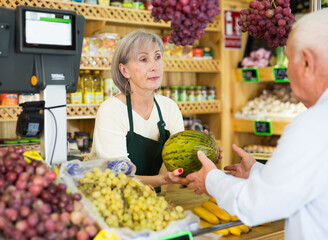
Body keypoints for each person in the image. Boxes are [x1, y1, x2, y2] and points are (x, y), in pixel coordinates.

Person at [186, 9, 328, 239]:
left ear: (307, 63)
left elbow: (255, 205)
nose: (287, 70)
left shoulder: (312, 126)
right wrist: (257, 172)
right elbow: (304, 186)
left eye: (290, 60)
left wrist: (211, 179)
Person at [90, 30, 188, 189]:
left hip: (154, 201)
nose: (154, 66)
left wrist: (201, 154)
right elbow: (118, 175)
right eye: (144, 59)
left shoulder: (169, 108)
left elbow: (180, 160)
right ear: (124, 70)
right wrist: (162, 180)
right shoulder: (111, 110)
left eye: (157, 57)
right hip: (111, 199)